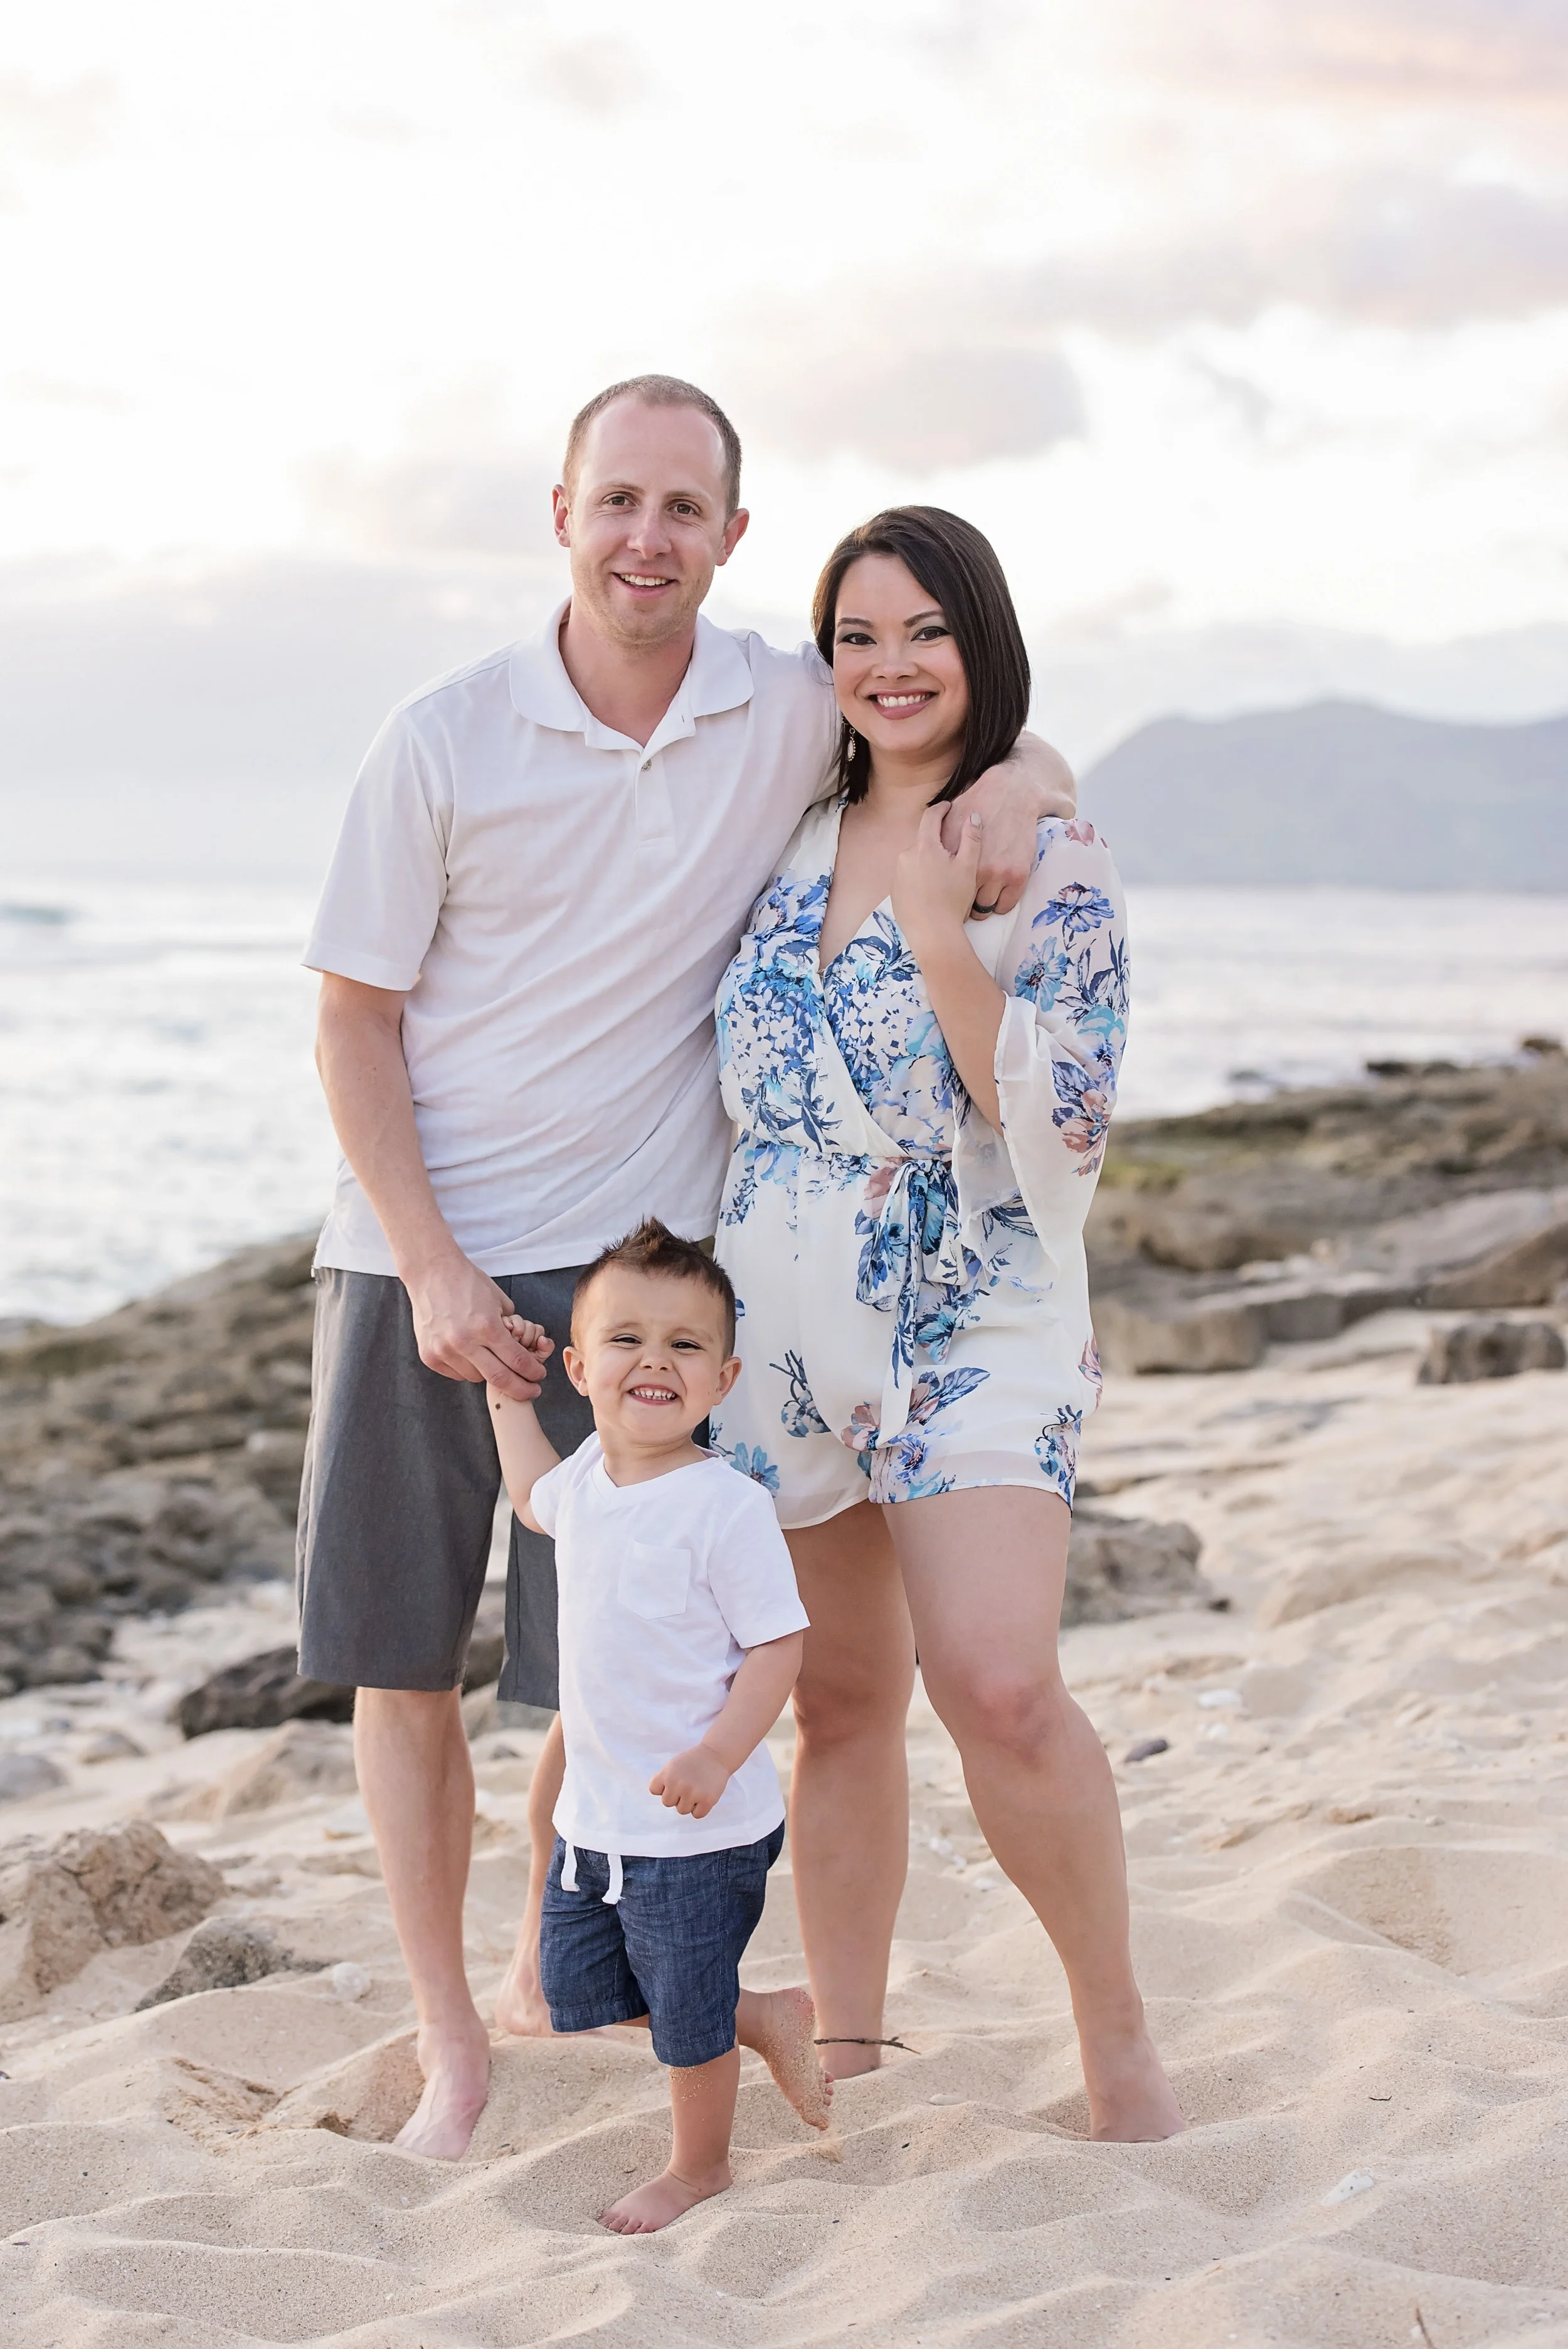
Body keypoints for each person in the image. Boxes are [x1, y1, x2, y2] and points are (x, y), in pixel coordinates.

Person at [297, 374, 1079, 2156]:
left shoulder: (777, 706)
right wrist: (430, 1267)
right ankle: (451, 2045)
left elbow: (952, 710)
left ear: (730, 534)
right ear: (560, 515)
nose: (643, 538)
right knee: (403, 1668)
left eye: (680, 509)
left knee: (622, 1661)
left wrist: (1026, 783)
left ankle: (548, 1955)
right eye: (615, 501)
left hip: (644, 1272)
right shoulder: (442, 737)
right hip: (415, 1255)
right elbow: (351, 1022)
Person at [707, 505, 1185, 2142]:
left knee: (997, 1686)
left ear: (980, 640)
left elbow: (1061, 1111)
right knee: (838, 1702)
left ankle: (1115, 2036)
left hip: (971, 1303)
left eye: (924, 630)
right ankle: (847, 2045)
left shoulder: (1046, 855)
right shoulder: (782, 825)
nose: (889, 664)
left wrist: (934, 931)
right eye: (856, 635)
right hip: (778, 1317)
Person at [485, 1218, 829, 2232]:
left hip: (698, 1828)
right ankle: (756, 2014)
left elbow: (779, 1646)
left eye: (684, 1345)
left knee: (683, 2020)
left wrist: (720, 1753)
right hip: (596, 1821)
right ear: (581, 1367)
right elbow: (529, 1496)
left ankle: (699, 2166)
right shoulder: (588, 1477)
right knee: (579, 1992)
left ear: (723, 1380)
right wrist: (506, 1394)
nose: (655, 1361)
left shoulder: (725, 1506)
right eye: (626, 1340)